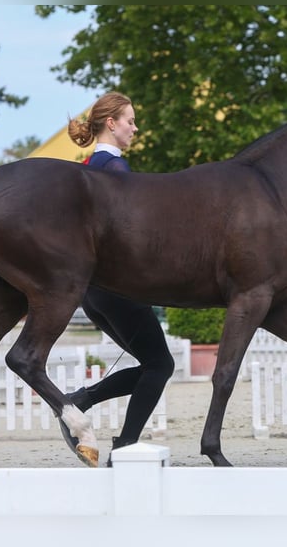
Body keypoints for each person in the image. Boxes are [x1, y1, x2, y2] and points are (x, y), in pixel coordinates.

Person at [60, 91, 175, 466]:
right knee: (160, 366)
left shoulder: (90, 165)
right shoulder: (116, 170)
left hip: (93, 294)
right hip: (119, 291)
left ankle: (83, 401)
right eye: (130, 120)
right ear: (111, 123)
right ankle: (123, 444)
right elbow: (130, 237)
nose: (135, 127)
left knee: (154, 364)